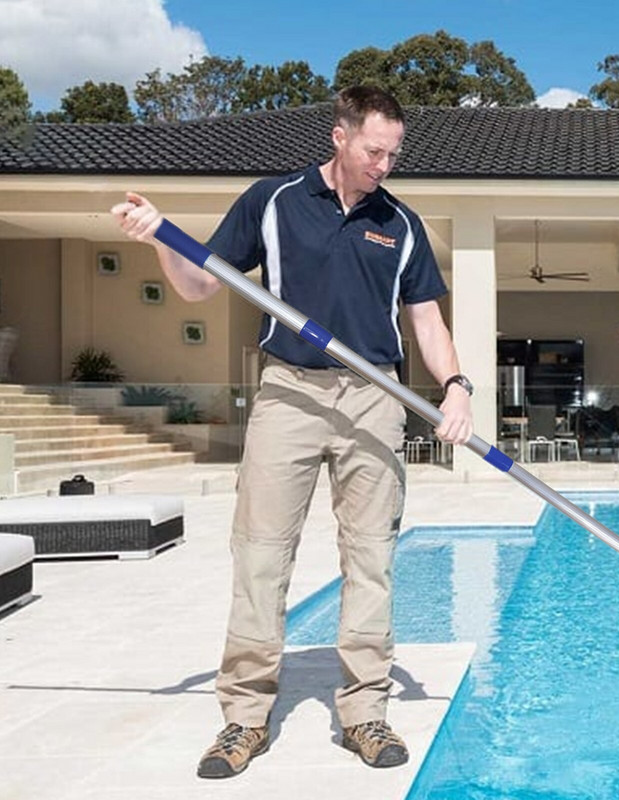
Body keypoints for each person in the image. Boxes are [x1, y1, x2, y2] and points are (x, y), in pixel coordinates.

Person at [111, 85, 473, 778]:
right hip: (290, 391)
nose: (384, 165)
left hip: (376, 393)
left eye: (394, 154)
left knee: (371, 557)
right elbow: (198, 286)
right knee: (261, 555)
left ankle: (365, 712)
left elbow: (426, 320)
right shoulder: (272, 202)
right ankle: (244, 719)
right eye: (375, 150)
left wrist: (456, 387)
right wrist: (160, 235)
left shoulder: (400, 224)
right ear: (339, 136)